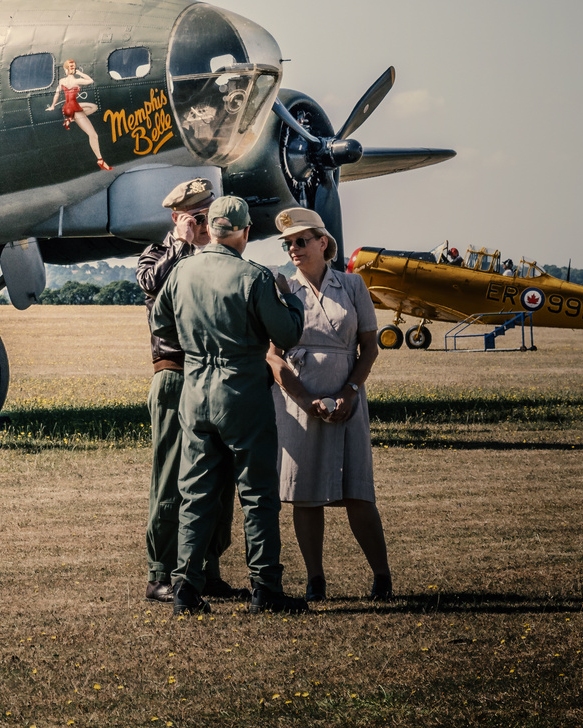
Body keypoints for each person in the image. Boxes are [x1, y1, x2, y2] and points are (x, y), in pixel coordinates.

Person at [151, 195, 309, 614]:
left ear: (212, 226)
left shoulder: (183, 270)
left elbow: (161, 323)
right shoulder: (255, 277)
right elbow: (289, 333)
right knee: (257, 494)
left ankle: (185, 586)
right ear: (244, 232)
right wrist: (288, 297)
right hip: (242, 391)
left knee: (196, 493)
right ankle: (265, 588)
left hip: (195, 391)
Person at [266, 207, 393, 601]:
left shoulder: (354, 286)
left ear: (324, 243)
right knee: (305, 493)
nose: (294, 249)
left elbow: (369, 347)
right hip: (298, 400)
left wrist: (350, 392)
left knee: (358, 490)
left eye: (301, 241)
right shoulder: (283, 289)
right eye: (288, 244)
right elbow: (272, 355)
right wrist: (305, 401)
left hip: (348, 399)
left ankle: (382, 576)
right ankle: (315, 579)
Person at [135, 178, 241, 603]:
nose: (206, 223)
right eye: (198, 217)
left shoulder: (216, 258)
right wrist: (180, 245)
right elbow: (150, 286)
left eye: (209, 215)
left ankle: (206, 567)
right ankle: (161, 571)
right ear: (178, 218)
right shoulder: (158, 254)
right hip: (176, 374)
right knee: (172, 476)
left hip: (213, 374)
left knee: (217, 476)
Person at [49, 59, 111, 171]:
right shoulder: (77, 81)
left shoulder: (62, 81)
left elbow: (57, 94)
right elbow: (90, 80)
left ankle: (70, 119)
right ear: (73, 69)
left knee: (93, 107)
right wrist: (80, 73)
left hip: (67, 107)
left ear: (65, 69)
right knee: (93, 135)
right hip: (74, 108)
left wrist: (53, 106)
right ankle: (100, 160)